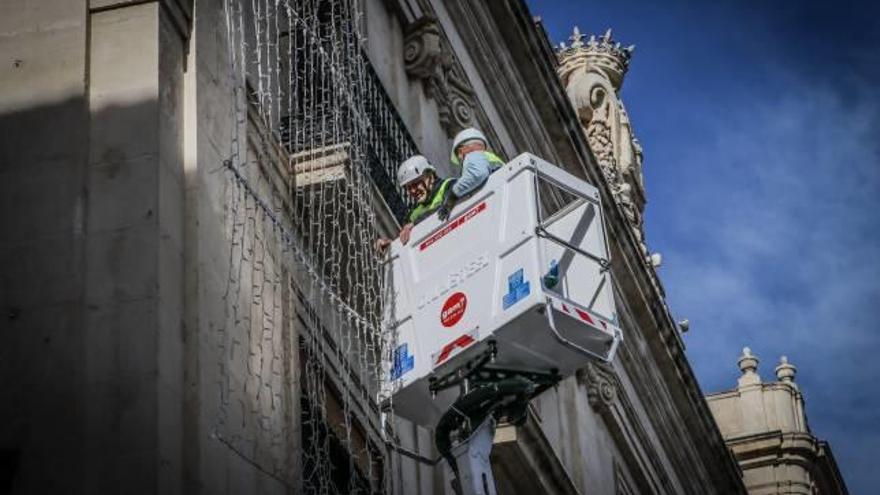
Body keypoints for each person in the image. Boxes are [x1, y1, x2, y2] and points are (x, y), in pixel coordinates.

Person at [375, 155, 455, 252]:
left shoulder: (450, 185)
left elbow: (449, 206)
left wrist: (416, 223)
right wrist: (391, 246)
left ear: (430, 176)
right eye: (408, 187)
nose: (412, 191)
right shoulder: (412, 215)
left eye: (416, 183)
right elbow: (407, 242)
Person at [436, 128, 505, 220]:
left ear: (461, 151)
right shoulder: (490, 158)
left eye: (459, 156)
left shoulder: (472, 155)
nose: (461, 160)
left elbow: (477, 174)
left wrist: (452, 195)